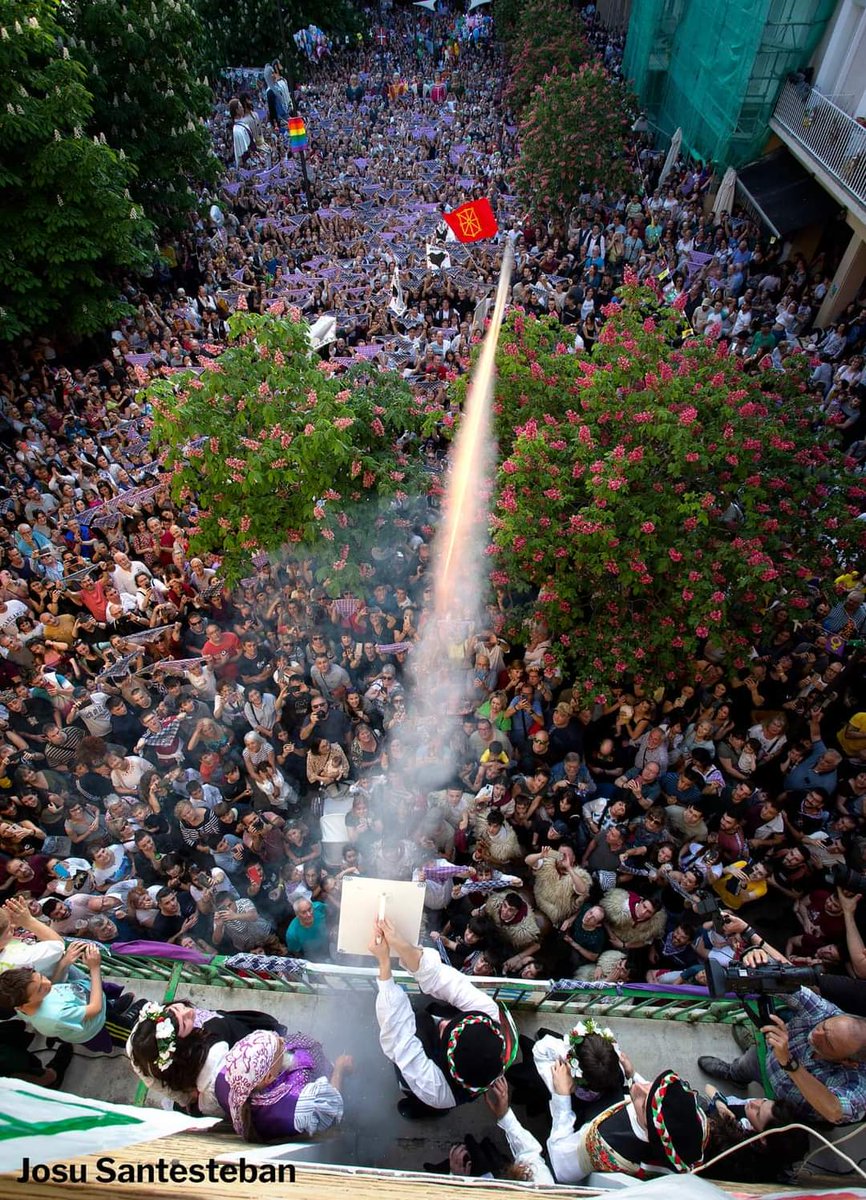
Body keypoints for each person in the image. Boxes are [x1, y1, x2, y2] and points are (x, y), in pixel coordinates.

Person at [369, 915, 516, 1118]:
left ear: (450, 1061)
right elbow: (440, 978)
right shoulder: (488, 1013)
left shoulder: (437, 1089)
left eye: (446, 1033)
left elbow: (397, 1035)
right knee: (423, 1018)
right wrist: (401, 944)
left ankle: (425, 1109)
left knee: (418, 1092)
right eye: (455, 1023)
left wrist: (384, 962)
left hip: (437, 1092)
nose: (444, 1022)